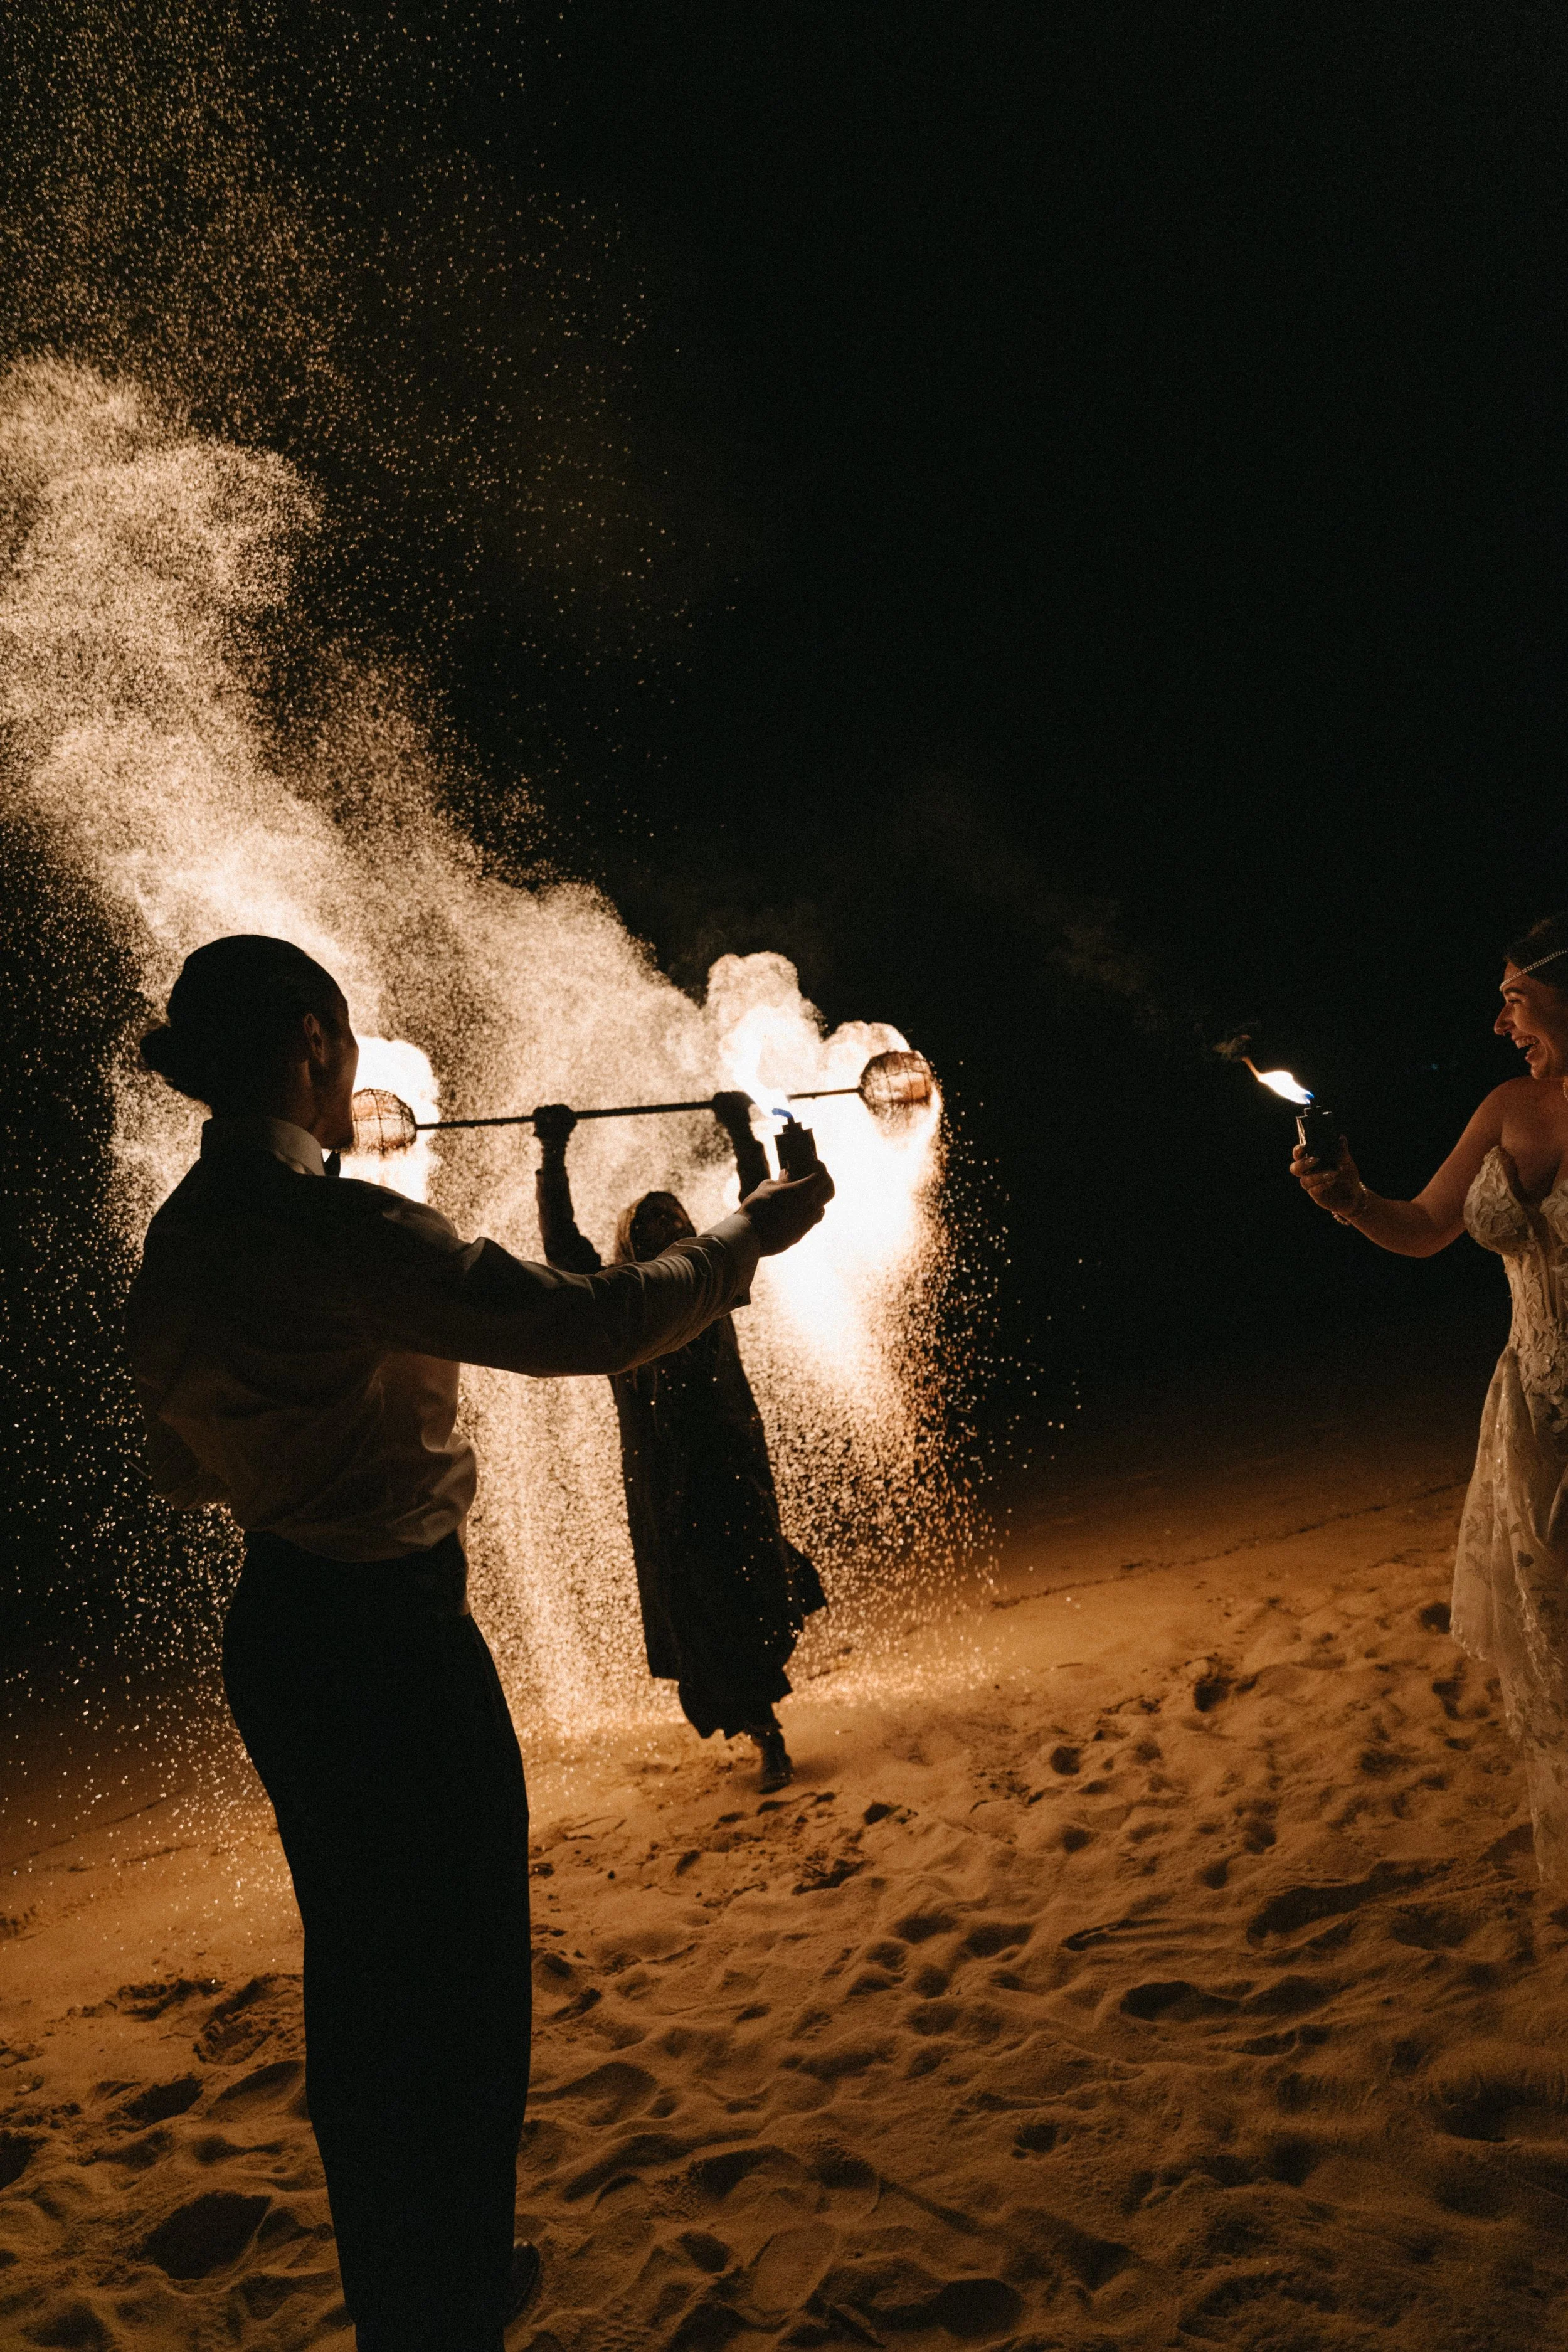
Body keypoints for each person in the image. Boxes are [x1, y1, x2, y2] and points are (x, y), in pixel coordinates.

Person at [125, 935, 833, 2352]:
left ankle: (416, 2287)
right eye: (351, 1052)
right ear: (317, 1045)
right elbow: (598, 1323)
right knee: (457, 1996)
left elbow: (180, 1465)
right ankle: (444, 2301)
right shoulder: (347, 1235)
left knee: (362, 1983)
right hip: (393, 1642)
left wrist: (314, 1433)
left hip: (279, 1634)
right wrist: (753, 1228)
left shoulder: (185, 1236)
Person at [1293, 909, 1568, 1884]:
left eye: (1515, 999)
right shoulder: (1505, 1106)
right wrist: (1353, 1201)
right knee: (1558, 1651)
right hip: (1535, 1419)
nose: (1501, 1024)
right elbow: (1422, 1227)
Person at [532, 1094, 826, 1793]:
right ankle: (762, 1728)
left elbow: (760, 1211)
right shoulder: (618, 1301)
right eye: (653, 1221)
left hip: (728, 1469)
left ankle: (765, 1726)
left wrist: (741, 1130)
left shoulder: (710, 1285)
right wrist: (551, 1152)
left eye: (675, 1218)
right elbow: (559, 1246)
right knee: (699, 1609)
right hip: (667, 1487)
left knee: (747, 1594)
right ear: (631, 1244)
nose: (668, 1225)